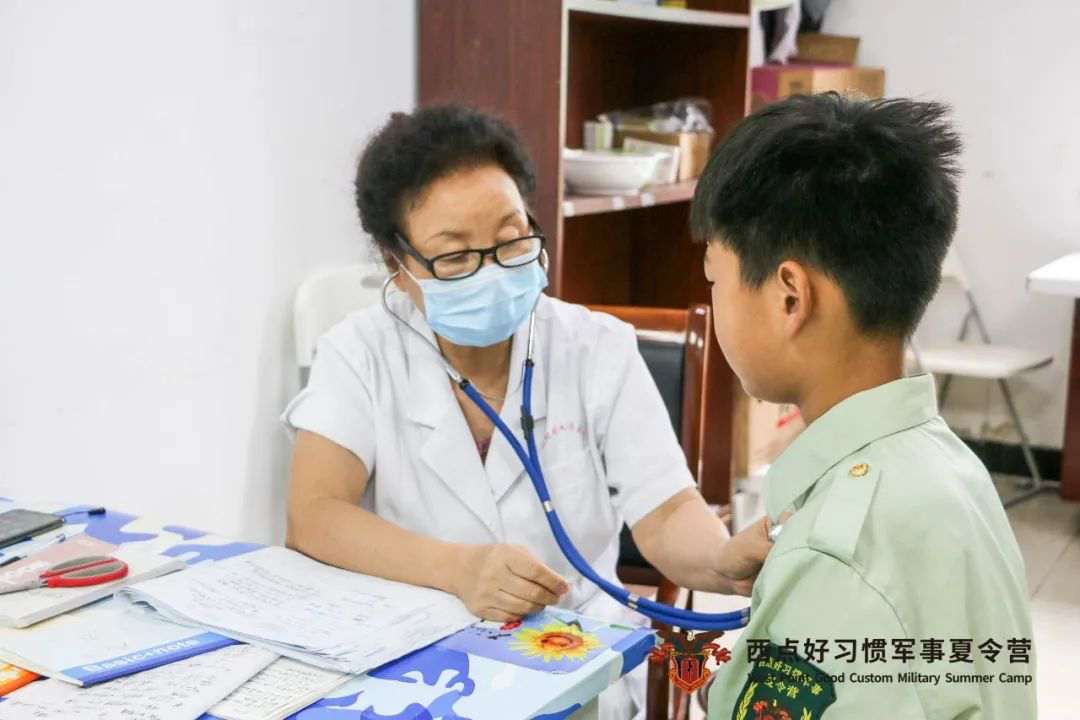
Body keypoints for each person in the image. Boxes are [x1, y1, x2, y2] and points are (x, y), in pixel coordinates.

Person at [282, 105, 773, 720]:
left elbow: (667, 510)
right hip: (413, 653)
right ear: (395, 264)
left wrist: (720, 560)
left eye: (511, 239)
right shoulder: (360, 352)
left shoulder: (596, 348)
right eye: (455, 256)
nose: (490, 270)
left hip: (568, 655)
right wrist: (460, 570)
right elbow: (314, 515)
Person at [693, 92, 1036, 719]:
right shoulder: (951, 468)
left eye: (715, 280)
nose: (714, 302)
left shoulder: (835, 555)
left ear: (790, 296)